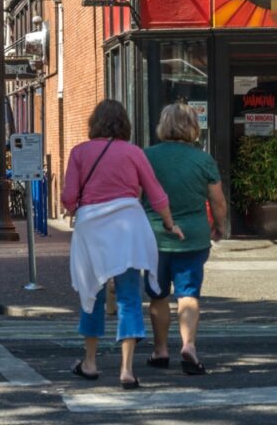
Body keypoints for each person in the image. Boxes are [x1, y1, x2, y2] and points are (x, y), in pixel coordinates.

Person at [61, 99, 183, 390]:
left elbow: (68, 197)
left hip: (92, 227)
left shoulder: (79, 152)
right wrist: (169, 223)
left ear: (95, 123)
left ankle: (90, 362)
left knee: (92, 293)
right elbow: (156, 193)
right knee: (129, 296)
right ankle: (127, 370)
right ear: (124, 124)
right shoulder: (134, 153)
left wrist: (73, 208)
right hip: (129, 224)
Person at [142, 103, 229, 375]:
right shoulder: (203, 160)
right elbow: (218, 202)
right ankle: (189, 346)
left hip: (154, 236)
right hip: (193, 236)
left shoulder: (147, 157)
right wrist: (219, 226)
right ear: (193, 126)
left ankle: (160, 350)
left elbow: (135, 195)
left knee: (157, 296)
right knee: (188, 294)